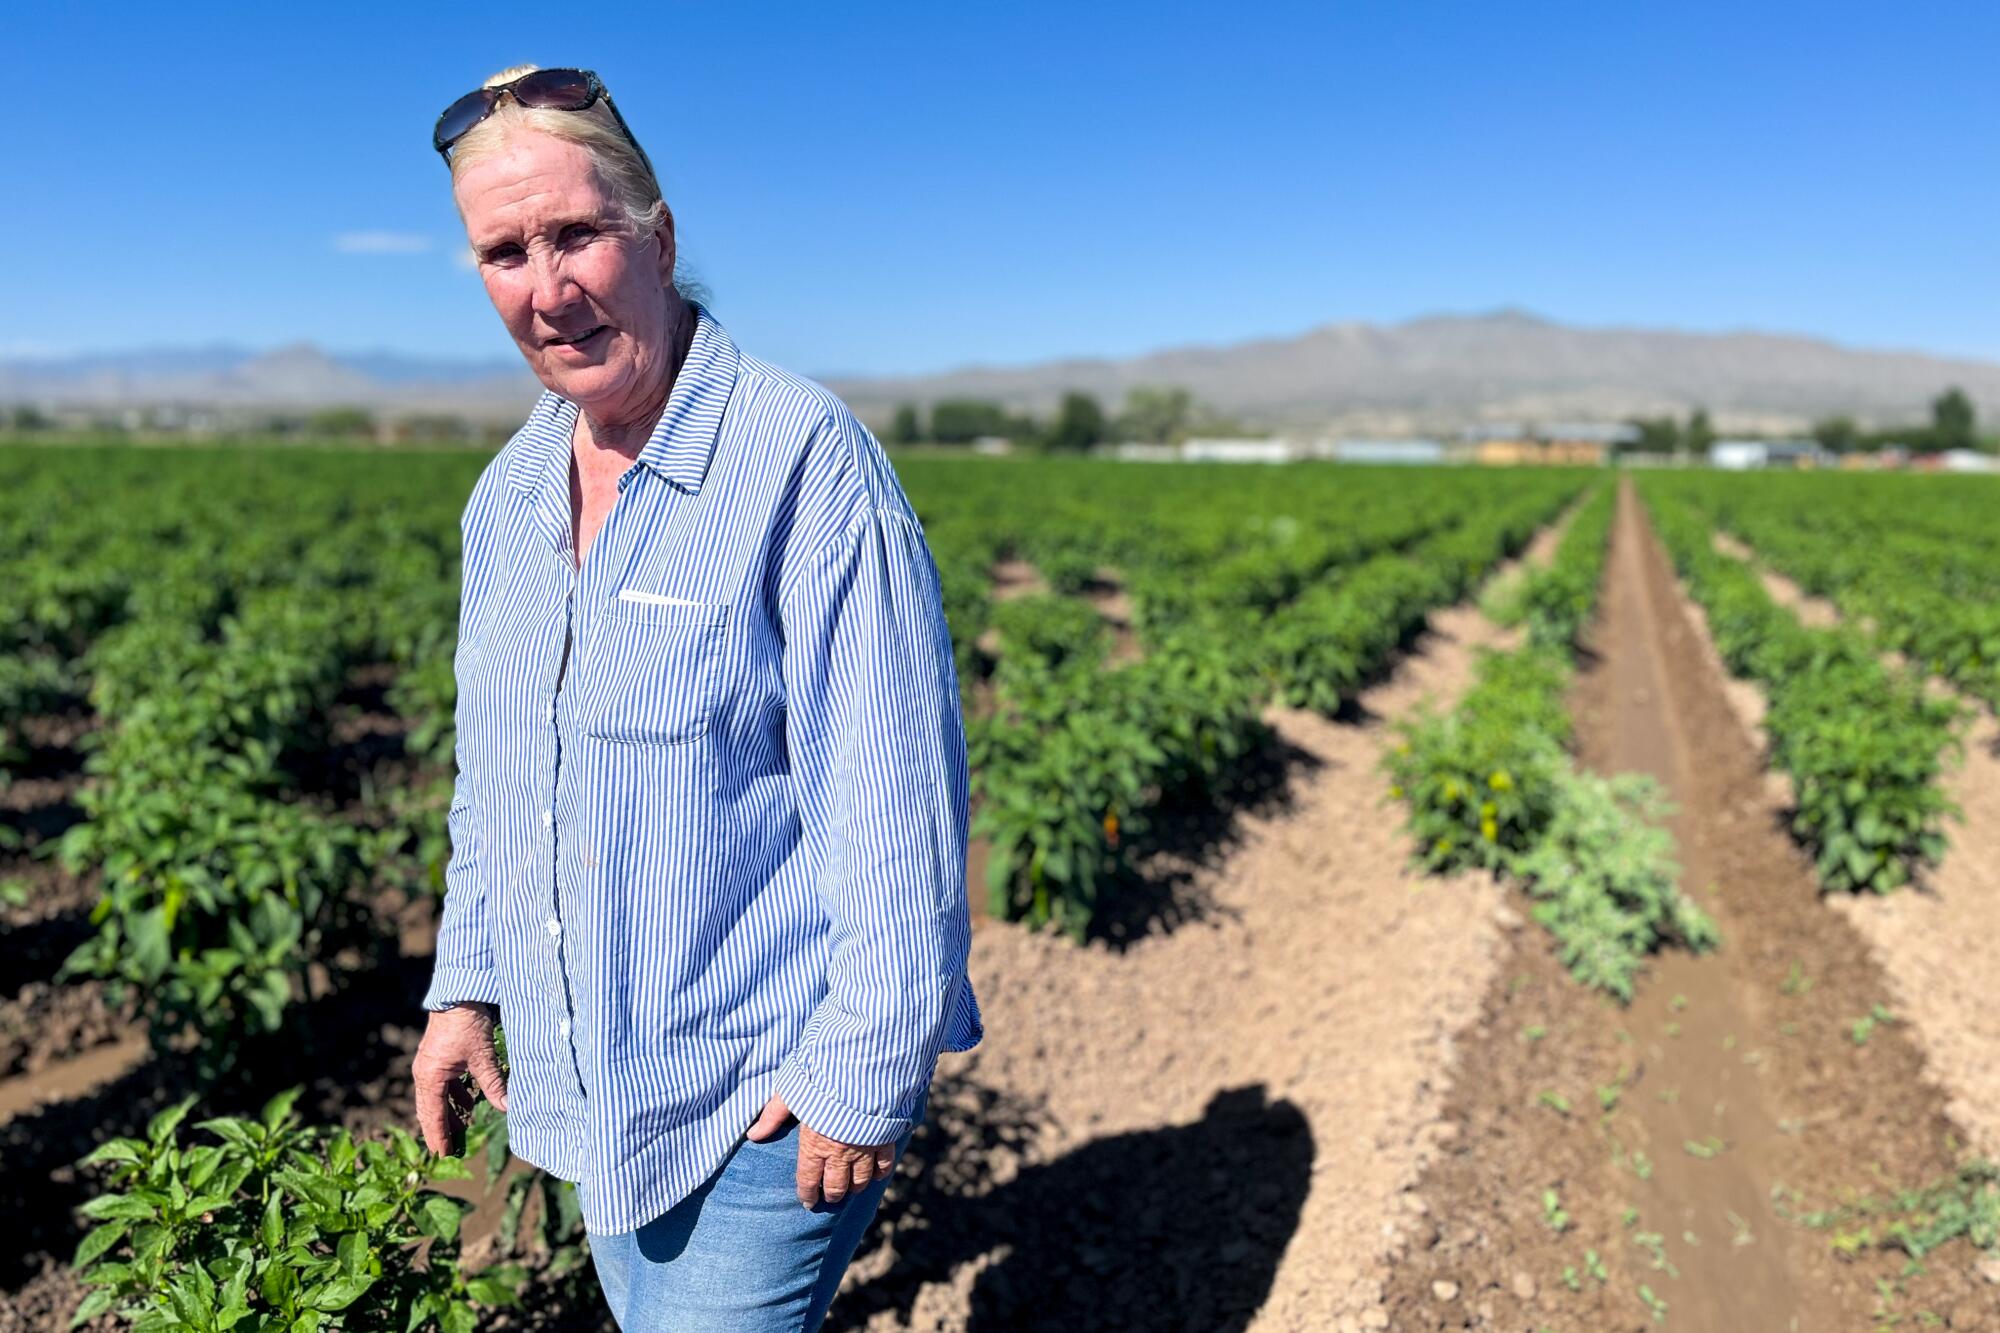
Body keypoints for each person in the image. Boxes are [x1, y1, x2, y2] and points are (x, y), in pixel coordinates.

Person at [408, 63, 982, 1331]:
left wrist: (864, 1070)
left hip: (761, 1097)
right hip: (586, 1090)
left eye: (575, 234)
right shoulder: (505, 501)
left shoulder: (801, 460)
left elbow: (892, 793)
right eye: (504, 252)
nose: (546, 288)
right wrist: (464, 986)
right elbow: (501, 780)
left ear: (655, 239)